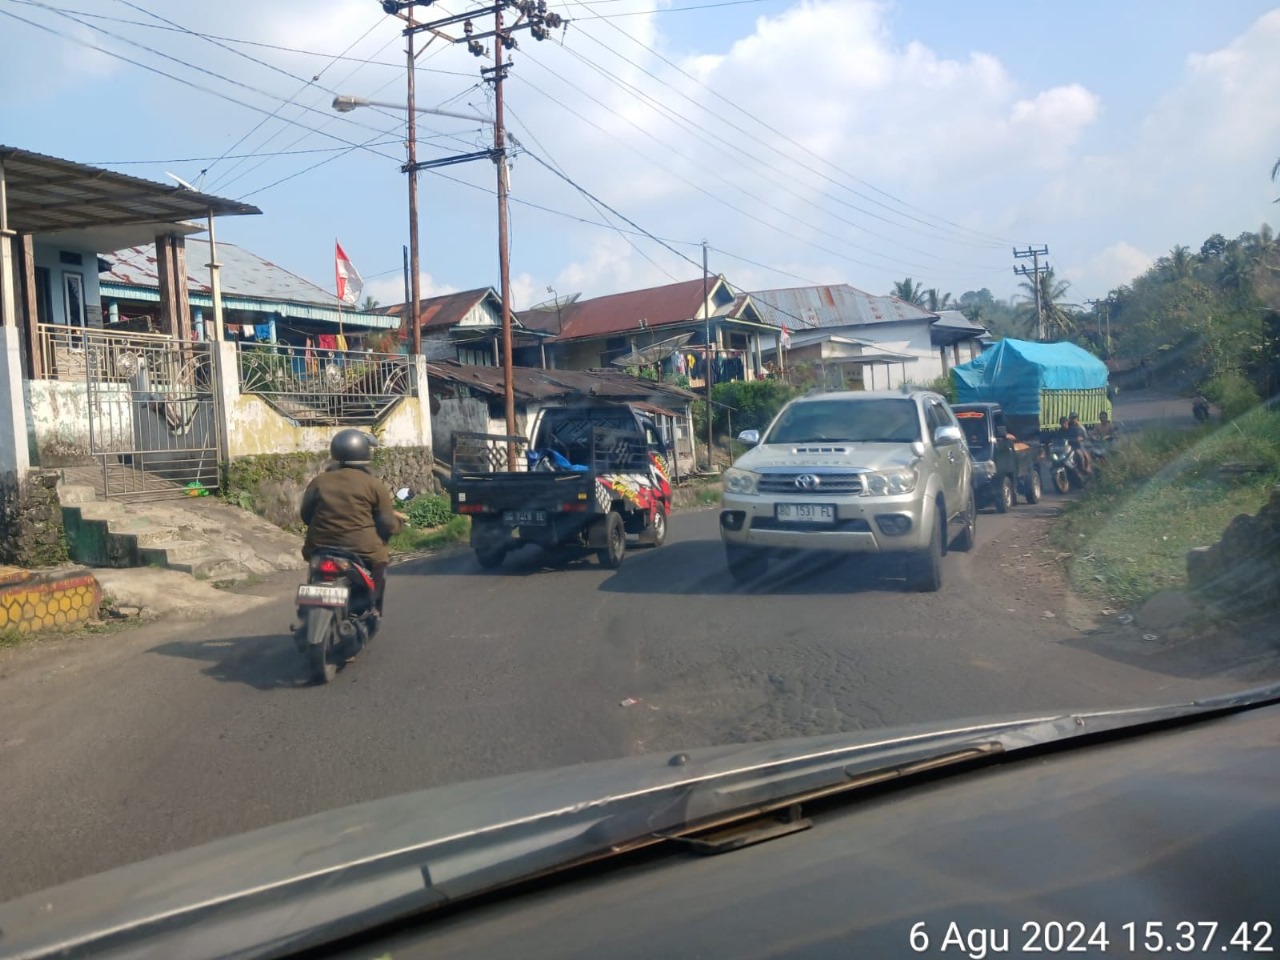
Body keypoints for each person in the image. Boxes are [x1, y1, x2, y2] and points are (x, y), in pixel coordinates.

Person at [300, 429, 406, 618]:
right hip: (360, 549)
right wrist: (397, 527)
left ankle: (308, 605)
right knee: (380, 561)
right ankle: (373, 608)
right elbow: (388, 523)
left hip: (319, 547)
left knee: (314, 567)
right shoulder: (373, 485)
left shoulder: (318, 481)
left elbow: (306, 516)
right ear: (364, 452)